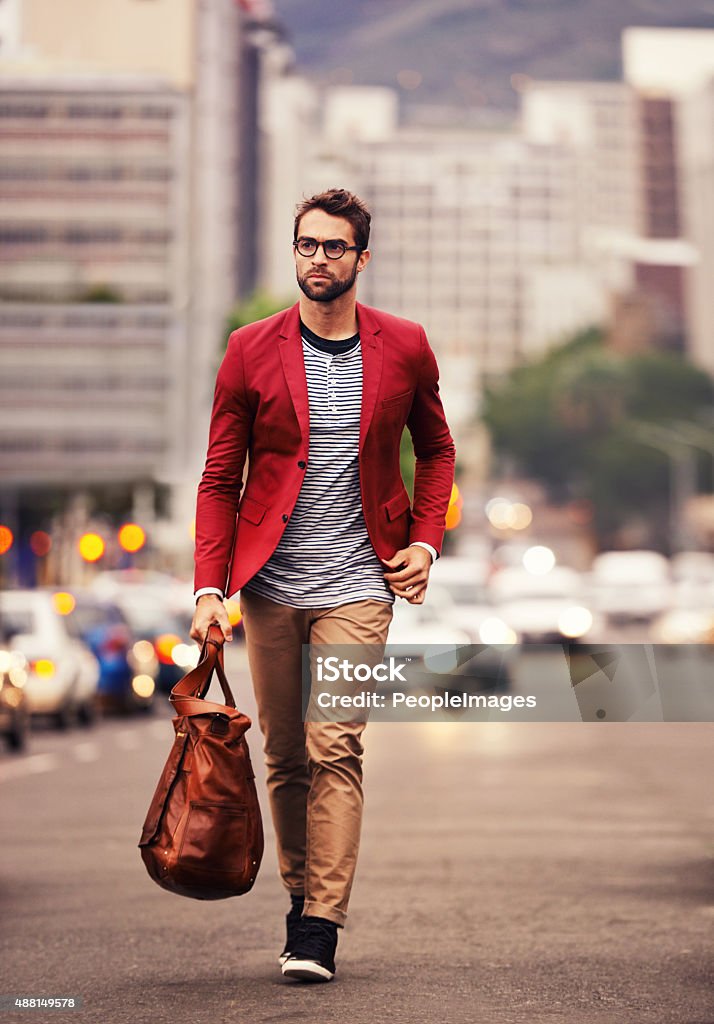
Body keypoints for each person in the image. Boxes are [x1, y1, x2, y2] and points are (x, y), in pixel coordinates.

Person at [190, 188, 455, 982]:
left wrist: (426, 542)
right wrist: (211, 585)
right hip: (270, 583)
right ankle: (301, 896)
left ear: (361, 259)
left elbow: (435, 449)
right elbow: (217, 478)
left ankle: (320, 926)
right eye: (306, 245)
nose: (318, 259)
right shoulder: (250, 349)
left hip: (360, 581)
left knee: (334, 743)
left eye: (334, 247)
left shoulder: (404, 345)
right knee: (283, 755)